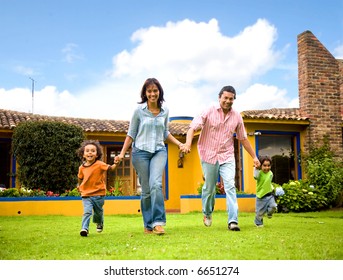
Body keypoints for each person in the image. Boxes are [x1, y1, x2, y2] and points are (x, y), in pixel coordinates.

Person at [183, 85, 260, 231]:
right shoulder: (208, 111)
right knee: (209, 188)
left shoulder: (237, 116)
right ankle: (207, 213)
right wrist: (187, 143)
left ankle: (233, 221)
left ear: (234, 100)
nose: (228, 101)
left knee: (230, 185)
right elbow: (192, 127)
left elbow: (243, 138)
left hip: (227, 155)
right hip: (208, 154)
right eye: (225, 98)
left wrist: (254, 157)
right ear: (219, 98)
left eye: (231, 99)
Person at [115, 78, 184, 235]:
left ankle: (158, 222)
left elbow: (165, 132)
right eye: (149, 91)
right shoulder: (139, 111)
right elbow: (131, 134)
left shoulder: (165, 111)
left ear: (159, 92)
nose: (152, 94)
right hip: (140, 152)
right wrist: (121, 153)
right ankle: (148, 224)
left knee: (156, 184)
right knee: (146, 190)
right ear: (145, 94)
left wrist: (179, 144)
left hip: (159, 150)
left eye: (155, 90)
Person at [77, 140, 117, 237]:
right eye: (87, 151)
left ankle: (99, 222)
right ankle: (84, 229)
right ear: (83, 154)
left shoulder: (99, 164)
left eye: (93, 151)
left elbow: (111, 168)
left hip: (99, 194)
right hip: (86, 194)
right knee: (87, 211)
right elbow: (80, 178)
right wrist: (79, 186)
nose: (90, 152)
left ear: (97, 154)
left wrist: (116, 163)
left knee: (98, 212)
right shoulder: (81, 168)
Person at [253, 155, 277, 227]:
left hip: (269, 195)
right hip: (261, 195)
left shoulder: (271, 173)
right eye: (264, 165)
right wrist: (256, 169)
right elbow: (255, 176)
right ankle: (258, 222)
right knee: (259, 212)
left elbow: (269, 182)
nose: (267, 168)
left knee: (273, 206)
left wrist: (273, 188)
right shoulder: (259, 173)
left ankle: (269, 213)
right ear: (261, 165)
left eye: (269, 165)